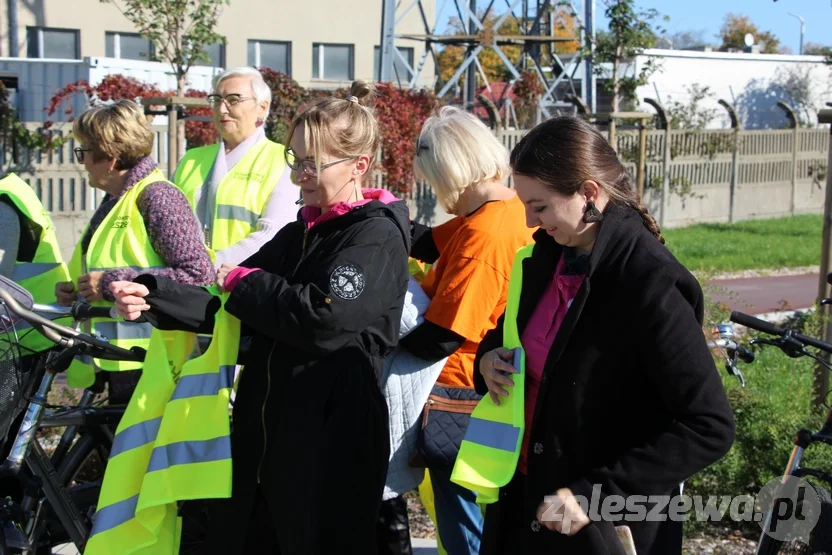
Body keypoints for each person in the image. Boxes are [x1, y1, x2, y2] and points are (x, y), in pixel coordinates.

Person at [110, 81, 411, 554]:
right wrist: (153, 295)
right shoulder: (301, 232)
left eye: (313, 164)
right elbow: (226, 301)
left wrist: (243, 283)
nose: (299, 176)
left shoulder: (374, 237)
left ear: (359, 166)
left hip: (331, 434)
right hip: (268, 428)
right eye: (295, 160)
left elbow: (323, 317)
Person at [468, 115, 735, 555]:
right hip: (523, 508)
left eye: (541, 205)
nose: (531, 221)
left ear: (589, 193)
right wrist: (488, 359)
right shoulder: (541, 262)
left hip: (602, 529)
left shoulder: (652, 283)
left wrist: (597, 492)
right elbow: (512, 341)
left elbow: (708, 425)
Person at [404, 106, 535, 555]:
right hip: (482, 393)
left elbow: (444, 334)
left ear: (451, 173)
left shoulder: (484, 235)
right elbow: (428, 240)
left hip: (459, 397)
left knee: (463, 521)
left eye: (435, 182)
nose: (438, 196)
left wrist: (375, 341)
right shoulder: (505, 207)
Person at [54, 99, 214, 392]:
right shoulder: (117, 199)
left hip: (152, 364)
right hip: (115, 359)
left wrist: (110, 283)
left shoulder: (157, 196)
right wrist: (78, 290)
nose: (82, 162)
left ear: (110, 158)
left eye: (84, 152)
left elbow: (198, 275)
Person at [174, 66, 298, 266]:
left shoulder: (282, 160)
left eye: (233, 100)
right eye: (216, 100)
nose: (222, 109)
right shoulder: (191, 159)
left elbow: (273, 234)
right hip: (185, 287)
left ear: (262, 107)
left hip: (242, 286)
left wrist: (207, 266)